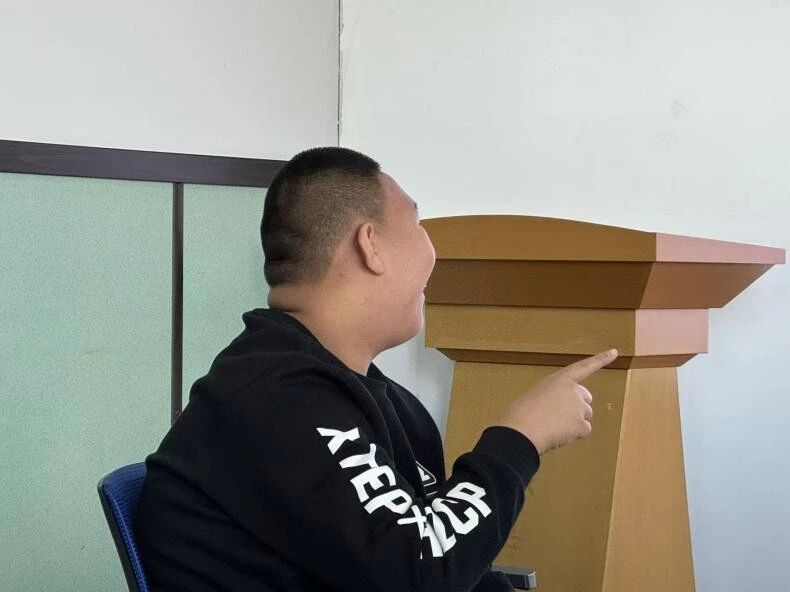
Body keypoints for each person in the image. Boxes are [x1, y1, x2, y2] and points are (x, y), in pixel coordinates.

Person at [135, 147, 618, 591]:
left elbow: (436, 557)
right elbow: (421, 570)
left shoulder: (368, 398)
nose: (432, 253)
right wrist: (520, 438)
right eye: (417, 223)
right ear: (371, 245)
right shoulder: (277, 400)